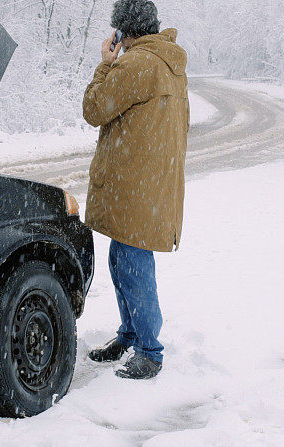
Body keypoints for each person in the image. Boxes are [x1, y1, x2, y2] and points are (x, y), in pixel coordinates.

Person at [82, 0, 189, 380]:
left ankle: (149, 351)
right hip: (152, 184)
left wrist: (105, 62)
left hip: (134, 186)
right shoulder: (169, 65)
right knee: (123, 260)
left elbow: (94, 108)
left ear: (123, 32)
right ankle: (130, 334)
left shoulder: (135, 63)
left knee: (132, 265)